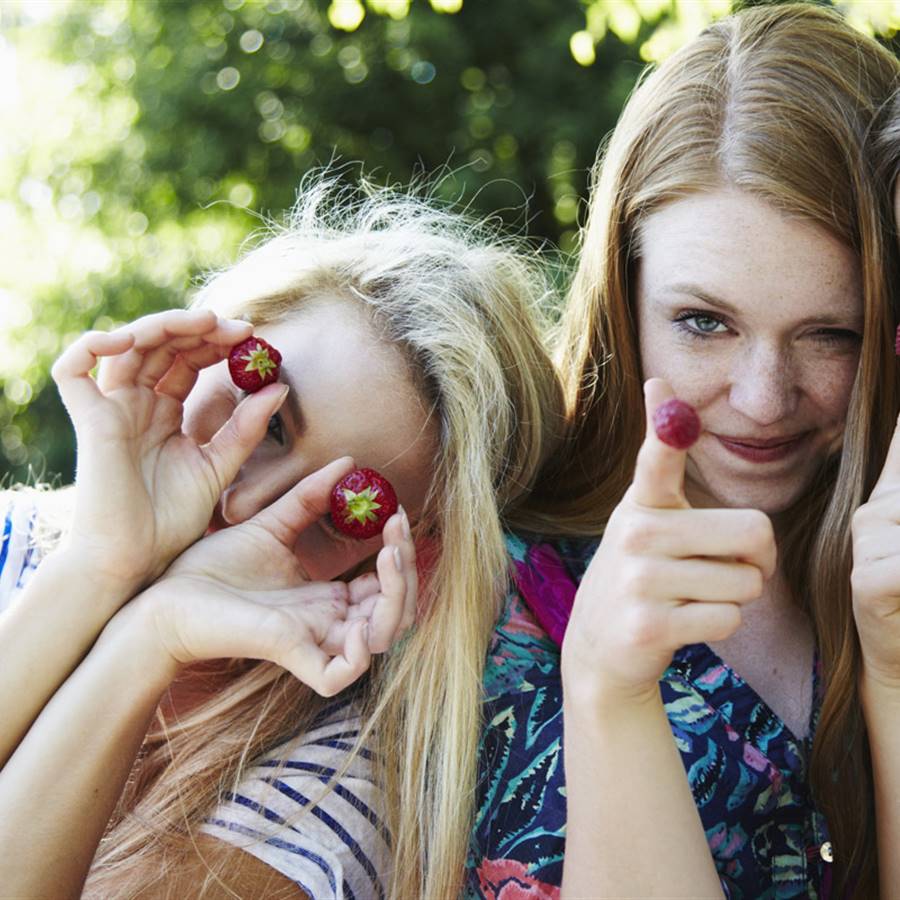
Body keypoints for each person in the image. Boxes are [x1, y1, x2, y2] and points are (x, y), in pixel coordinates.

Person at [0, 176, 564, 899]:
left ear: (406, 560)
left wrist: (151, 635)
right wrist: (94, 569)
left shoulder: (329, 793)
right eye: (267, 421)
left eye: (341, 515)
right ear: (212, 339)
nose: (244, 506)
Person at [464, 4, 900, 899]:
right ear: (622, 297)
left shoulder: (881, 564)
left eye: (833, 334)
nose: (763, 399)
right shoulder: (470, 579)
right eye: (704, 323)